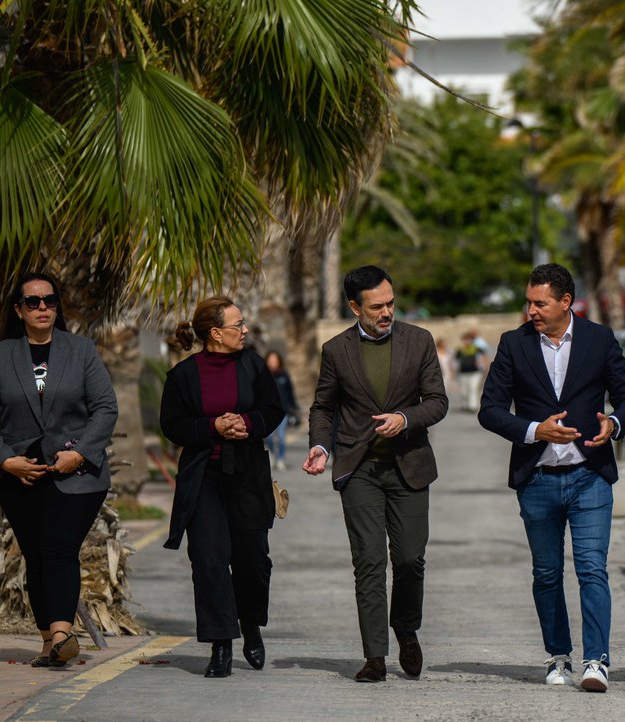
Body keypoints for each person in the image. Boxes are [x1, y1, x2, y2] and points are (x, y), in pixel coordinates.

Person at [478, 263, 625, 692]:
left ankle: (596, 661)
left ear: (565, 302)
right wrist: (535, 430)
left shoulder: (599, 338)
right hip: (538, 480)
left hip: (590, 476)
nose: (530, 310)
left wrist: (615, 424)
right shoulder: (513, 345)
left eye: (539, 302)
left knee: (592, 570)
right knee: (547, 574)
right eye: (528, 302)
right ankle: (558, 656)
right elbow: (490, 410)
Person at [303, 265, 448, 683]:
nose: (387, 312)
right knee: (368, 562)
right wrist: (319, 444)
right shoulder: (336, 350)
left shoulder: (418, 341)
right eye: (376, 306)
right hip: (359, 468)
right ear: (354, 307)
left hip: (410, 468)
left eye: (390, 303)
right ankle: (374, 657)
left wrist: (405, 418)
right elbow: (323, 407)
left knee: (408, 559)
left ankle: (405, 627)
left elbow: (437, 401)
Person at [0, 273, 119, 669]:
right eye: (33, 302)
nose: (42, 308)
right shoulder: (0, 356)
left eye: (49, 301)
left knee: (58, 547)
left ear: (57, 306)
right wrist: (4, 459)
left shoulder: (81, 350)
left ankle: (60, 633)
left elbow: (105, 408)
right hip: (18, 476)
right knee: (36, 555)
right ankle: (48, 642)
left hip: (76, 476)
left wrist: (81, 454)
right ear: (19, 310)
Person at [160, 297, 285, 678]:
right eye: (238, 324)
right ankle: (220, 645)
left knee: (253, 561)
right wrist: (212, 427)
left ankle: (249, 625)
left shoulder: (253, 364)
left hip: (248, 475)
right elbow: (173, 426)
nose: (245, 329)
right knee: (210, 561)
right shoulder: (183, 375)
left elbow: (273, 409)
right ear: (216, 333)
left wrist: (247, 423)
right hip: (204, 479)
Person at [263, 350, 299, 470]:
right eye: (271, 360)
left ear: (279, 362)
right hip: (268, 412)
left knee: (282, 437)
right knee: (269, 437)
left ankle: (280, 458)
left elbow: (290, 393)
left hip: (283, 412)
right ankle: (273, 454)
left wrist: (294, 407)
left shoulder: (284, 375)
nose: (273, 362)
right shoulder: (262, 375)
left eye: (275, 360)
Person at [454, 332, 485, 413]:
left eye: (468, 340)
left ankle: (473, 406)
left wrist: (482, 363)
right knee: (464, 391)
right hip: (463, 373)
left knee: (473, 388)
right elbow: (456, 359)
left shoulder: (476, 348)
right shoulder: (460, 350)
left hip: (475, 372)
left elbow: (484, 355)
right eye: (465, 340)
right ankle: (465, 405)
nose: (466, 342)